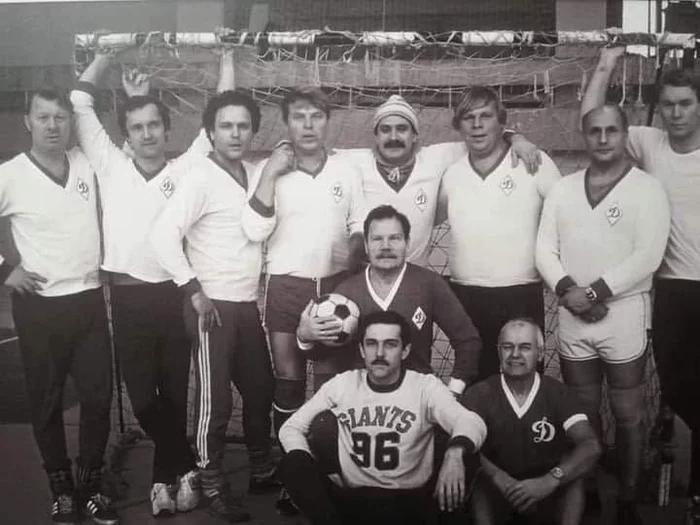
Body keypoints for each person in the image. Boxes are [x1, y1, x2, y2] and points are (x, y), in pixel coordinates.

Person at [70, 47, 237, 517]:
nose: (146, 134)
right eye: (137, 128)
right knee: (143, 400)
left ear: (168, 131)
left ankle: (166, 481)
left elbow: (220, 112)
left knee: (173, 393)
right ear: (126, 135)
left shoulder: (186, 169)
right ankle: (187, 463)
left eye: (153, 126)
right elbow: (80, 102)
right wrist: (102, 56)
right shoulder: (110, 164)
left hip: (174, 298)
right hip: (125, 299)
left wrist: (225, 57)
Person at [151, 88, 282, 522]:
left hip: (246, 305)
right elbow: (162, 236)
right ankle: (210, 480)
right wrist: (193, 289)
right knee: (215, 402)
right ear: (210, 132)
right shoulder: (200, 178)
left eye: (244, 125)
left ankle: (261, 468)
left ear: (254, 131)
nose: (235, 133)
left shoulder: (252, 171)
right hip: (211, 308)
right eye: (226, 125)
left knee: (262, 390)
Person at [536, 104, 671, 524]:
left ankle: (628, 499)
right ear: (584, 134)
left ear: (624, 133)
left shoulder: (647, 188)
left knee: (629, 414)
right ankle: (588, 489)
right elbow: (544, 248)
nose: (603, 138)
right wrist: (568, 291)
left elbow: (648, 254)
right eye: (595, 131)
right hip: (575, 312)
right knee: (583, 410)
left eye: (612, 130)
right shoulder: (564, 189)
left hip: (624, 310)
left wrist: (594, 291)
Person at [582, 45, 700, 523]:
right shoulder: (649, 143)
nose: (675, 112)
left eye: (685, 103)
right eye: (668, 103)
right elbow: (592, 117)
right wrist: (607, 64)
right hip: (672, 290)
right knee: (682, 390)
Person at [0, 89, 117, 524]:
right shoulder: (10, 174)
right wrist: (4, 270)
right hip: (39, 307)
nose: (53, 125)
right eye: (44, 117)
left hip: (87, 301)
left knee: (98, 396)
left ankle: (89, 485)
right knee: (46, 402)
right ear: (27, 121)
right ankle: (61, 487)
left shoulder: (85, 164)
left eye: (61, 117)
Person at [278, 310, 487, 525]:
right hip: (353, 499)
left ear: (405, 351)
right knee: (294, 463)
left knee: (469, 456)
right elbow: (291, 427)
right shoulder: (343, 384)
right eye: (371, 343)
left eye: (390, 344)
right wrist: (309, 460)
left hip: (411, 502)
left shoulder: (425, 386)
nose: (379, 353)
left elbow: (472, 422)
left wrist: (455, 453)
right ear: (361, 349)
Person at [437, 86, 562, 380]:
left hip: (519, 292)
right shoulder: (452, 173)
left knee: (523, 380)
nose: (477, 124)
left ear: (501, 122)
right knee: (473, 385)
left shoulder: (533, 162)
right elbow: (429, 218)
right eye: (468, 117)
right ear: (458, 125)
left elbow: (568, 215)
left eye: (485, 116)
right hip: (466, 294)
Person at [297, 204, 482, 395]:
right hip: (361, 399)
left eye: (394, 238)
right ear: (367, 246)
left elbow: (468, 340)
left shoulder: (429, 284)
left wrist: (454, 391)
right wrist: (305, 337)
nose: (386, 246)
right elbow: (323, 356)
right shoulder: (346, 292)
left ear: (407, 243)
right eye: (377, 239)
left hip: (415, 396)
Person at [344, 94, 541, 267]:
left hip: (416, 280)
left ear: (414, 135)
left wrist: (516, 138)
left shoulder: (436, 158)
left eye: (402, 129)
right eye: (385, 129)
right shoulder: (354, 162)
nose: (393, 137)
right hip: (370, 276)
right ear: (376, 136)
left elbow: (481, 138)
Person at [462, 318, 601, 525]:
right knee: (478, 479)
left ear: (541, 353)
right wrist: (497, 476)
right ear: (498, 351)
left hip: (546, 492)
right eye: (507, 347)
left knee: (575, 480)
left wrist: (551, 479)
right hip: (500, 491)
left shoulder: (558, 393)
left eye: (525, 347)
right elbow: (462, 444)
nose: (515, 354)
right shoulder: (480, 393)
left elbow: (590, 445)